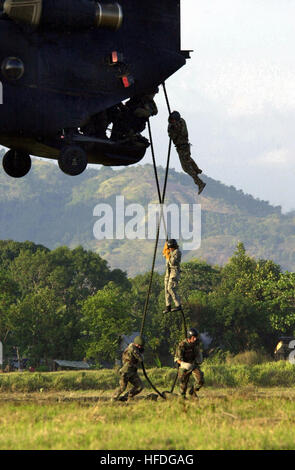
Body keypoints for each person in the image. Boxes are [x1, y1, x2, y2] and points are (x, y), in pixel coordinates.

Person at [168, 111, 206, 195]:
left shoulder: (181, 122)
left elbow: (182, 133)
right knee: (187, 159)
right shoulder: (171, 126)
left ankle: (199, 182)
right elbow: (172, 136)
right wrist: (174, 128)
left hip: (183, 146)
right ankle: (196, 169)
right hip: (181, 146)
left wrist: (175, 128)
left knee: (186, 168)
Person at [174, 328, 204, 399]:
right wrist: (184, 364)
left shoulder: (196, 344)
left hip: (193, 364)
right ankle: (182, 397)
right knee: (183, 383)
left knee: (200, 380)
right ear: (189, 337)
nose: (195, 339)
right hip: (184, 365)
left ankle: (192, 392)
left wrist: (199, 358)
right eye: (193, 337)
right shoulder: (182, 345)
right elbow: (177, 359)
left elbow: (197, 353)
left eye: (196, 337)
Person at [112, 335, 145, 401]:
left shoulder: (135, 348)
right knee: (122, 387)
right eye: (138, 345)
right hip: (126, 372)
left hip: (132, 372)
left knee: (139, 386)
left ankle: (125, 398)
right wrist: (141, 352)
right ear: (135, 343)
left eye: (141, 346)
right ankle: (114, 398)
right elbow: (140, 358)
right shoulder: (132, 348)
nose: (139, 347)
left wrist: (140, 350)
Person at [163, 239, 182, 314]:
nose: (170, 248)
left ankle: (178, 305)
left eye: (170, 247)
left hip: (174, 272)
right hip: (168, 272)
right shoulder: (170, 251)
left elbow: (173, 262)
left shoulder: (177, 252)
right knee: (166, 290)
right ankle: (168, 306)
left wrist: (168, 256)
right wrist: (166, 250)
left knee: (170, 288)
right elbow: (164, 254)